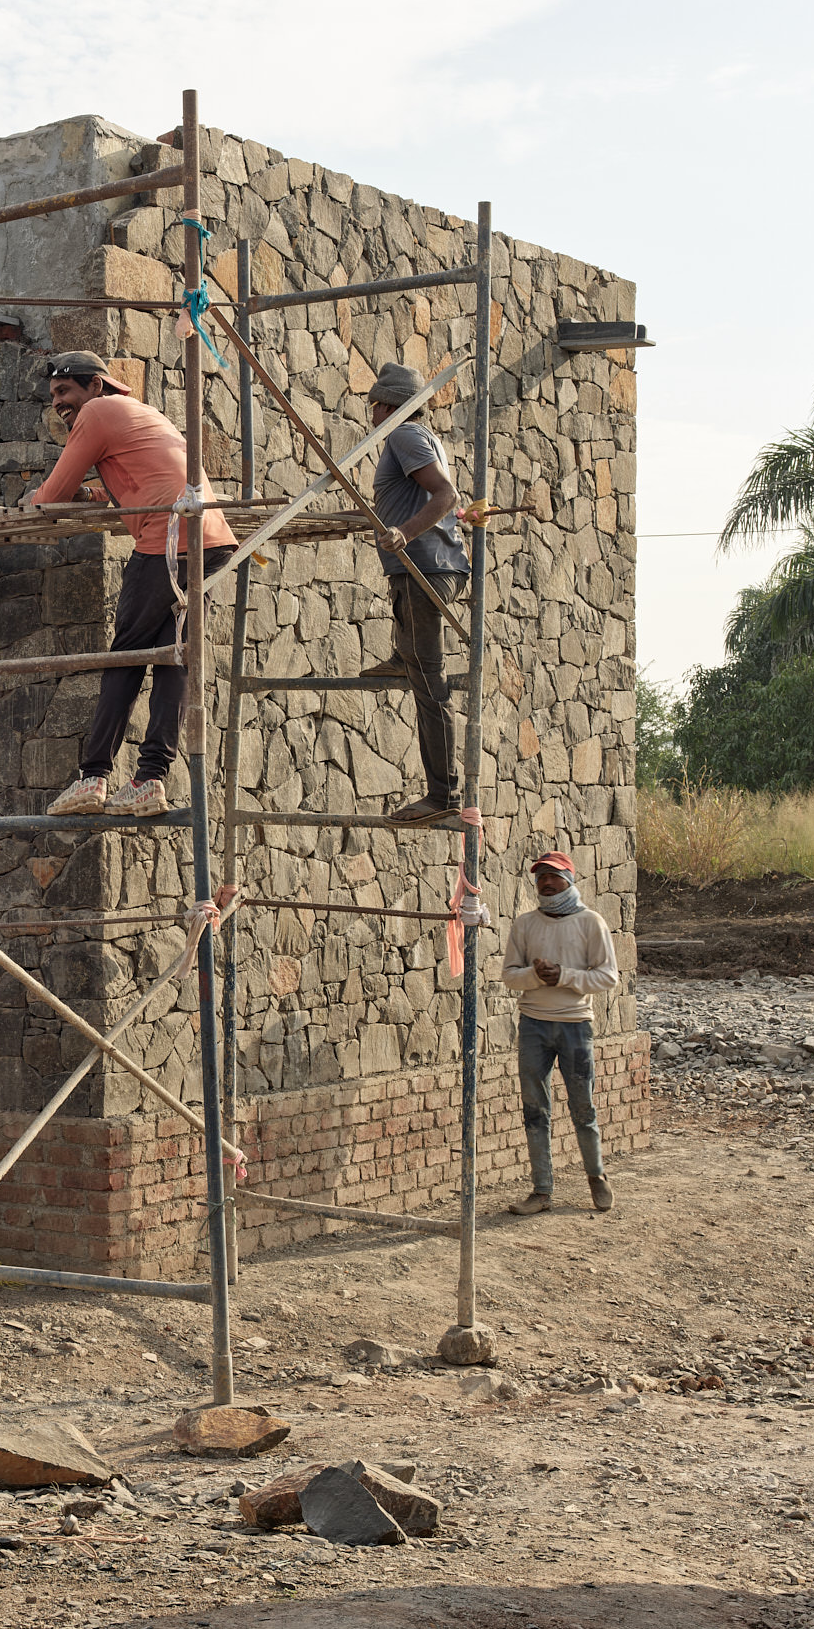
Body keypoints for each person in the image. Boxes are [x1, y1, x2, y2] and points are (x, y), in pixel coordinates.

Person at [32, 351, 237, 818]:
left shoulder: (98, 412)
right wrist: (92, 493)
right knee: (173, 656)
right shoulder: (138, 412)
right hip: (211, 540)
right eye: (54, 395)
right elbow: (137, 482)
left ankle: (93, 777)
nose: (58, 402)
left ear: (96, 386)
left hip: (169, 541)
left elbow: (52, 495)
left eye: (64, 391)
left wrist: (33, 501)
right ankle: (150, 779)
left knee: (125, 656)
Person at [360, 360, 470, 825]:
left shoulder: (403, 435)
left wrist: (403, 533)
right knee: (418, 665)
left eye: (374, 406)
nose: (371, 415)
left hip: (424, 567)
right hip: (428, 566)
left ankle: (443, 795)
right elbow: (419, 499)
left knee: (429, 684)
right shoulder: (419, 438)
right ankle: (402, 656)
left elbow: (446, 496)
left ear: (389, 406)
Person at [499, 853, 620, 1215]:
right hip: (533, 1024)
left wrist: (564, 975)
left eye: (554, 877)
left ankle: (596, 1176)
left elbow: (607, 976)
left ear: (569, 880)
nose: (547, 884)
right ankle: (541, 1191)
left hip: (575, 1025)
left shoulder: (590, 922)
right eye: (541, 879)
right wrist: (536, 975)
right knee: (535, 1110)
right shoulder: (525, 924)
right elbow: (509, 976)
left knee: (583, 1108)